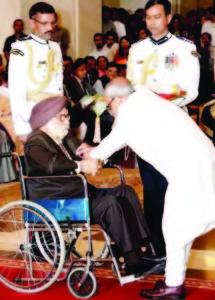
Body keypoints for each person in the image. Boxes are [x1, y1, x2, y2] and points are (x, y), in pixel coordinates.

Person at [77, 77, 215, 299]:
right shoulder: (143, 100)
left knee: (175, 225)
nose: (110, 109)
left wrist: (93, 155)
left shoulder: (133, 109)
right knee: (181, 225)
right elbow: (118, 137)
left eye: (109, 103)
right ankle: (174, 280)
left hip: (190, 168)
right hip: (199, 161)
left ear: (120, 97)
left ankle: (173, 286)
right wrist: (95, 150)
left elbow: (117, 138)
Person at [24, 96, 165, 281]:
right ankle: (133, 263)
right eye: (62, 117)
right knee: (110, 204)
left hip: (78, 194)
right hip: (58, 201)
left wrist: (94, 156)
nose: (68, 121)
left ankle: (147, 250)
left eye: (67, 116)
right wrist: (80, 166)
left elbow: (86, 153)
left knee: (126, 191)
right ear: (46, 120)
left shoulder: (63, 136)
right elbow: (51, 164)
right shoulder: (35, 141)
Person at [126, 0, 200, 257]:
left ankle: (177, 241)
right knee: (150, 186)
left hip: (172, 124)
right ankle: (156, 244)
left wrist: (161, 101)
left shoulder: (184, 47)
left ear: (168, 17)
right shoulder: (137, 49)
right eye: (148, 17)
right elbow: (133, 85)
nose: (152, 22)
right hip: (146, 127)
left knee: (173, 185)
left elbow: (191, 89)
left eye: (157, 17)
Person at [9, 2, 63, 144]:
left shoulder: (55, 47)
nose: (50, 28)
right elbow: (16, 91)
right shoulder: (21, 48)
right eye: (44, 23)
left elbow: (59, 86)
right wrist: (22, 129)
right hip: (33, 117)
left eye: (52, 23)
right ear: (32, 23)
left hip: (56, 116)